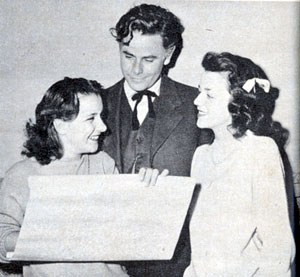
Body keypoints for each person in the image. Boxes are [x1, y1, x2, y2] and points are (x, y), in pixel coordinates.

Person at [0, 77, 164, 276]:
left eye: (101, 116)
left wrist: (147, 193)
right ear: (61, 125)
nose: (103, 127)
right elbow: (3, 241)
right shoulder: (20, 175)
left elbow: (128, 231)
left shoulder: (103, 163)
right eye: (91, 118)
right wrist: (54, 235)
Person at [103, 4, 212, 276]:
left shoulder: (197, 105)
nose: (136, 69)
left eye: (149, 59)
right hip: (108, 260)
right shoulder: (95, 107)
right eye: (128, 55)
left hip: (177, 263)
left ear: (169, 54)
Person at [184, 52, 296, 276]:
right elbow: (199, 252)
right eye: (199, 91)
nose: (197, 101)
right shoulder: (201, 156)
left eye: (209, 95)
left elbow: (279, 248)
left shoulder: (260, 150)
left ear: (237, 102)